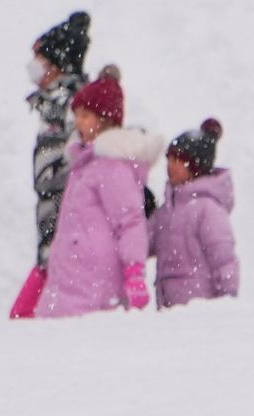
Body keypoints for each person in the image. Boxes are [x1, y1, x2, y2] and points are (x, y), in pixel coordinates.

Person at [35, 66, 162, 318]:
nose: (78, 122)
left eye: (85, 116)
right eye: (77, 115)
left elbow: (129, 221)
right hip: (71, 275)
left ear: (105, 120)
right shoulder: (84, 164)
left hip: (94, 280)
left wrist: (134, 272)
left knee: (80, 334)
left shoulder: (111, 166)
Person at [14, 10, 92, 318]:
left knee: (26, 319)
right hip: (51, 237)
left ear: (57, 64)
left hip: (64, 238)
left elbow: (79, 165)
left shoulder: (73, 106)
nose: (33, 66)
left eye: (40, 59)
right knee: (31, 320)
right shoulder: (51, 103)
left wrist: (51, 182)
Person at [149, 118, 238, 307]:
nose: (171, 166)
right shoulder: (166, 211)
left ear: (196, 167)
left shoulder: (207, 209)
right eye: (169, 159)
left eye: (178, 161)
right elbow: (143, 242)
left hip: (200, 310)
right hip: (167, 310)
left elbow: (223, 260)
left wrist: (226, 303)